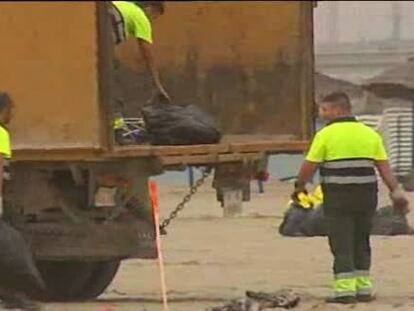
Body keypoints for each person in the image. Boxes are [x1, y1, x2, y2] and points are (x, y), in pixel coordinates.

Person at [292, 92, 409, 304]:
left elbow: (310, 165)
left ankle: (345, 291)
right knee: (361, 240)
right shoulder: (369, 134)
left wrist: (299, 185)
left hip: (338, 197)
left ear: (338, 110)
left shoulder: (325, 135)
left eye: (325, 109)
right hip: (366, 197)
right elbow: (384, 168)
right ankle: (364, 289)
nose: (322, 113)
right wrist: (396, 191)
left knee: (341, 242)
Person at [110, 1, 170, 103]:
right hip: (109, 23)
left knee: (110, 68)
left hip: (100, 18)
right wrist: (157, 84)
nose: (152, 19)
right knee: (112, 72)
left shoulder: (126, 5)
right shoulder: (141, 17)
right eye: (155, 15)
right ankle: (116, 114)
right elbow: (147, 53)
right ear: (150, 7)